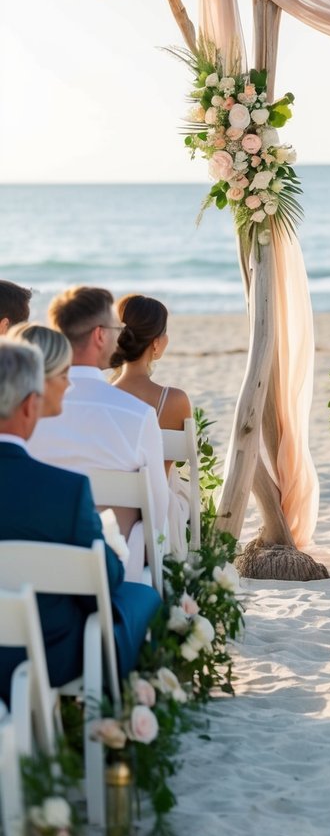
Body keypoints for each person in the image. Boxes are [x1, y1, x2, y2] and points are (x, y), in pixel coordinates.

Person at [0, 339, 160, 704]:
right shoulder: (64, 491)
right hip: (44, 655)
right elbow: (103, 582)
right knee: (141, 598)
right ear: (28, 406)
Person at [28, 286, 173, 580]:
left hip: (33, 570)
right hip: (111, 579)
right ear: (99, 335)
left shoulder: (27, 412)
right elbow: (157, 516)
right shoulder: (137, 415)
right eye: (114, 327)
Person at [111, 294, 192, 556]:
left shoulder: (102, 400)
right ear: (156, 343)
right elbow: (164, 473)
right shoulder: (175, 400)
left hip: (112, 510)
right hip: (159, 512)